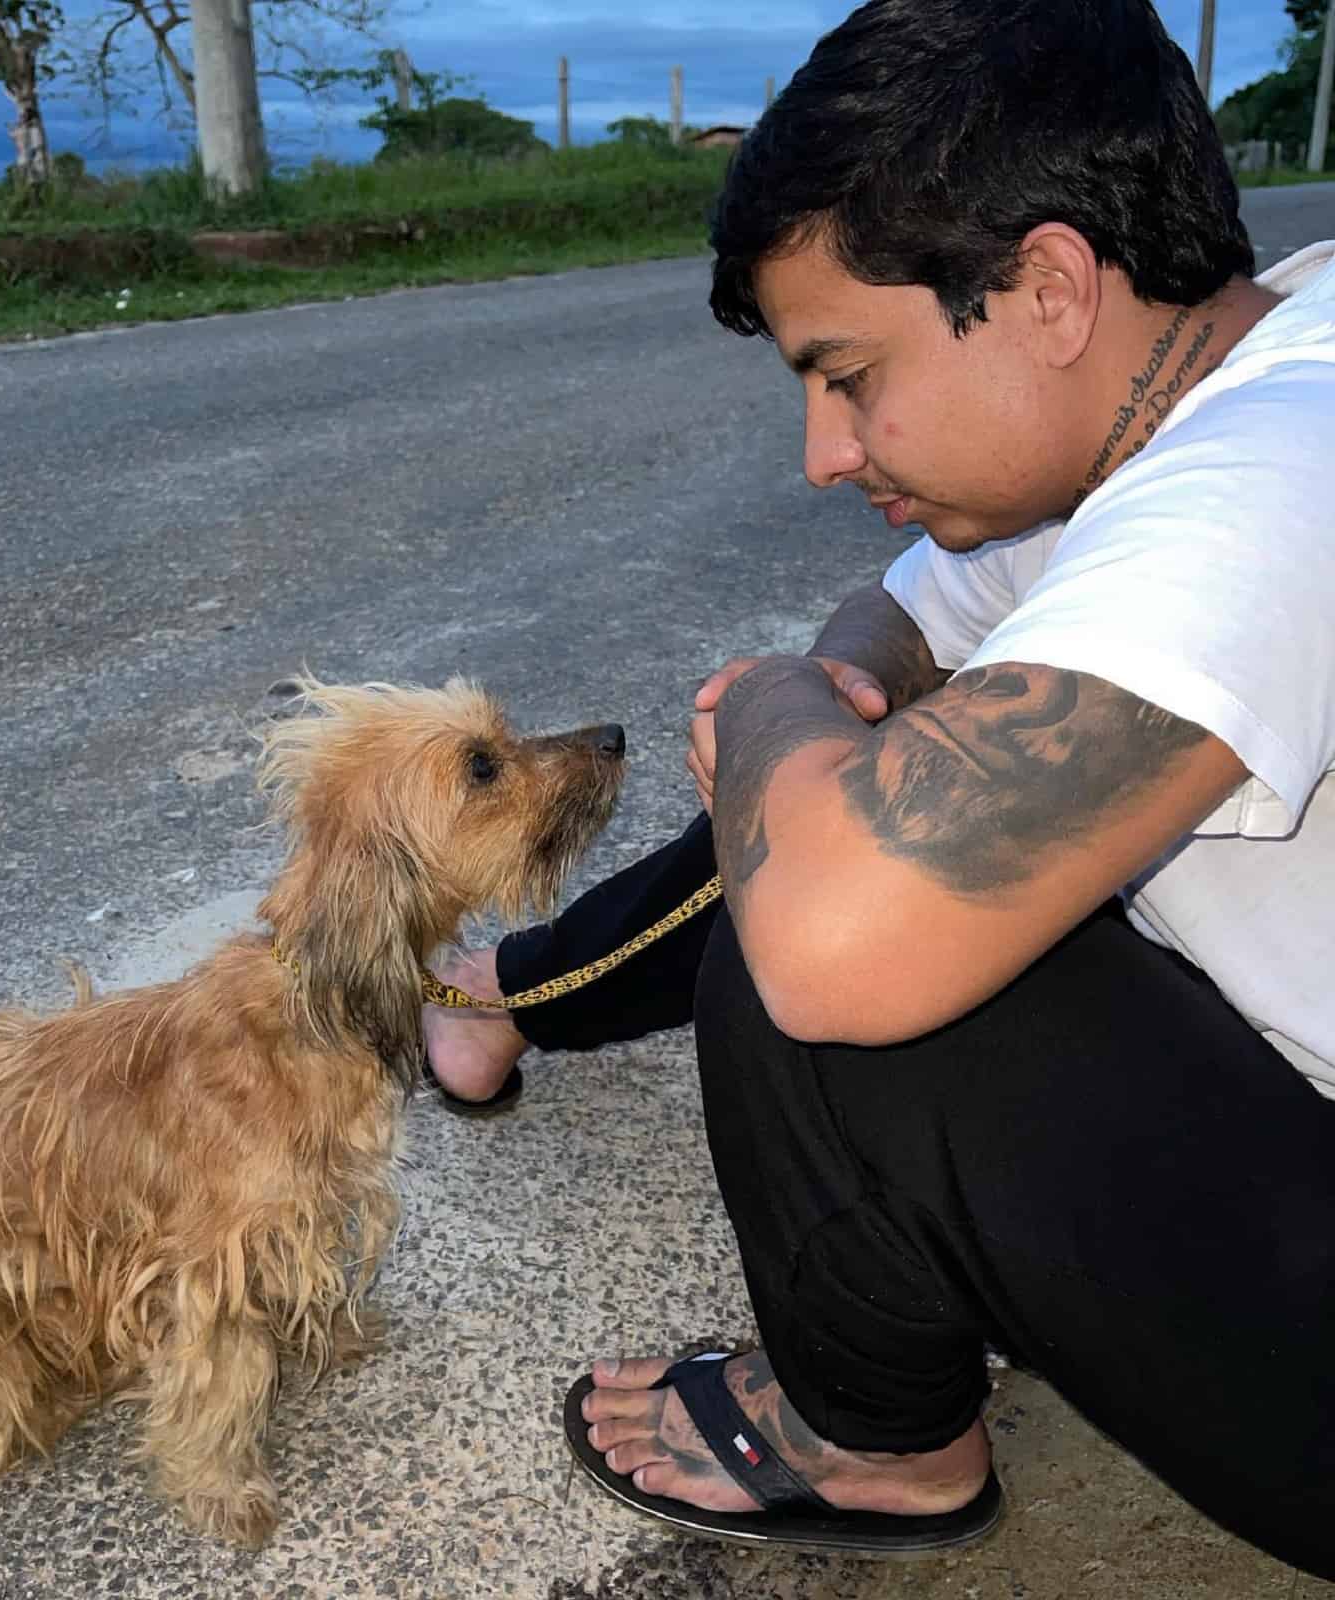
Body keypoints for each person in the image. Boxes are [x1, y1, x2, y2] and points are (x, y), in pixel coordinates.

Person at [423, 0, 1335, 1577]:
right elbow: (910, 615)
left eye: (847, 374)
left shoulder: (1274, 476)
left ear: (1046, 288)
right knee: (861, 792)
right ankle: (512, 988)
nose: (822, 455)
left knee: (827, 940)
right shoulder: (1233, 370)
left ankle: (875, 1446)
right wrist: (837, 695)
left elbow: (844, 934)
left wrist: (785, 716)